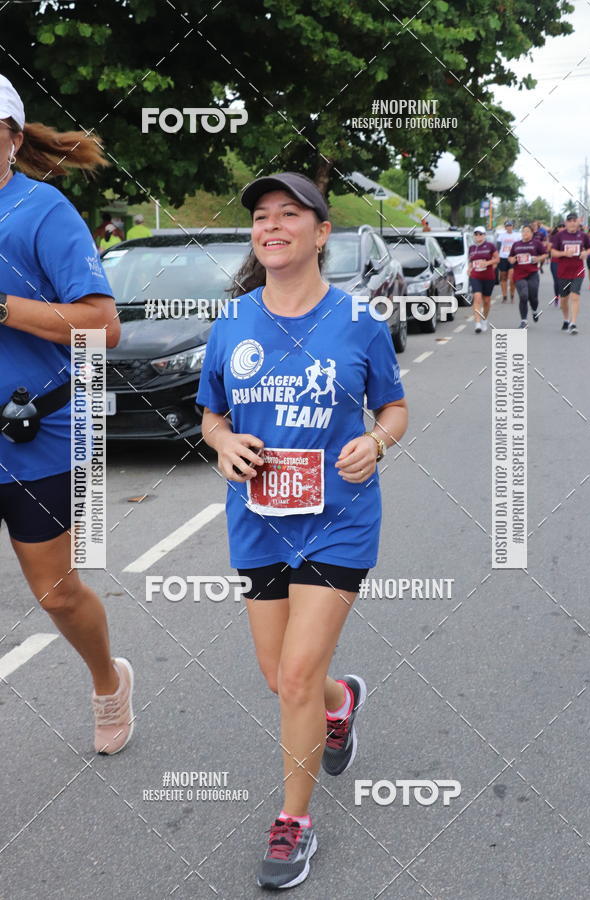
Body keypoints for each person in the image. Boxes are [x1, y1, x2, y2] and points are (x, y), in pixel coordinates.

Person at [197, 171, 408, 891]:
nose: (274, 225)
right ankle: (340, 705)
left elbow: (395, 409)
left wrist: (374, 444)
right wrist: (223, 444)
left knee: (293, 675)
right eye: (262, 216)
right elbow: (212, 415)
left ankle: (293, 822)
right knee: (280, 677)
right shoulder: (231, 323)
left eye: (291, 214)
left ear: (322, 233)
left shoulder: (358, 322)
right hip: (258, 522)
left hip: (338, 522)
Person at [0, 74, 133, 754]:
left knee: (54, 593)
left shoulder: (40, 210)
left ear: (13, 138)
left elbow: (101, 326)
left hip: (34, 433)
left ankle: (108, 680)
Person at [550, 212, 590, 334]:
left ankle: (573, 323)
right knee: (564, 300)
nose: (572, 223)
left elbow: (589, 248)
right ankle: (566, 319)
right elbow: (553, 252)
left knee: (575, 296)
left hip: (578, 270)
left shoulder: (583, 236)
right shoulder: (559, 236)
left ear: (578, 222)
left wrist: (586, 253)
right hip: (563, 271)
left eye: (574, 220)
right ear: (566, 222)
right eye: (570, 220)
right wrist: (564, 254)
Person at [508, 224, 547, 327]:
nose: (525, 233)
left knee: (533, 297)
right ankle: (524, 321)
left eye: (527, 231)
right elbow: (510, 257)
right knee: (524, 296)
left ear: (532, 233)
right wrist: (512, 260)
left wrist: (538, 259)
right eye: (523, 231)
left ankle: (534, 310)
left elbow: (545, 254)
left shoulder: (536, 243)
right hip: (519, 274)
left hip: (532, 273)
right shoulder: (516, 244)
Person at [468, 226, 499, 332]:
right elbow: (471, 261)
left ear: (484, 235)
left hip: (488, 276)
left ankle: (484, 320)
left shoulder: (490, 246)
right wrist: (469, 269)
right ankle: (477, 323)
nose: (478, 236)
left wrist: (487, 263)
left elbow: (497, 259)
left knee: (486, 301)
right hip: (475, 276)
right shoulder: (471, 248)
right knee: (477, 297)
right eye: (476, 234)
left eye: (480, 234)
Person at [495, 219, 520, 302]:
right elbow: (498, 247)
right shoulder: (501, 236)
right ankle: (504, 296)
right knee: (503, 277)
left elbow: (519, 247)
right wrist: (496, 257)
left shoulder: (517, 236)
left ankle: (512, 295)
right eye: (507, 226)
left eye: (510, 225)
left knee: (512, 278)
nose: (509, 227)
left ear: (513, 226)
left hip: (513, 258)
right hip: (503, 257)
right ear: (505, 227)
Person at [549, 223, 565, 305]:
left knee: (563, 281)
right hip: (555, 262)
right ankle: (556, 297)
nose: (561, 228)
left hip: (565, 262)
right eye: (560, 226)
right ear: (557, 228)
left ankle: (563, 297)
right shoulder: (553, 237)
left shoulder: (568, 237)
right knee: (557, 281)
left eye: (563, 227)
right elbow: (549, 248)